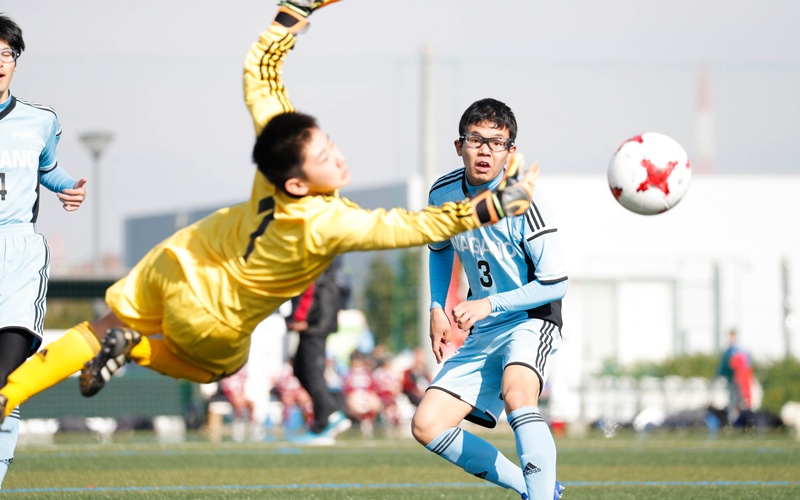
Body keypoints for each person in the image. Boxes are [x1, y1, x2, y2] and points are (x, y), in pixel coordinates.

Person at [0, 1, 538, 431]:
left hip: (177, 258)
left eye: (329, 142)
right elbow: (417, 225)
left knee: (96, 330)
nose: (338, 155)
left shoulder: (279, 142)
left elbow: (260, 72)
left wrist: (292, 13)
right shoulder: (331, 223)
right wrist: (498, 203)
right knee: (221, 368)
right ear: (300, 182)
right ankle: (138, 349)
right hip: (213, 313)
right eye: (326, 156)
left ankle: (8, 394)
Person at [411, 99, 568, 500]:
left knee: (519, 394)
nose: (485, 150)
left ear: (511, 152)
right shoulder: (443, 193)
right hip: (484, 325)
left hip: (531, 318)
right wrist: (436, 307)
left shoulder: (524, 200)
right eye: (476, 140)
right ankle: (539, 489)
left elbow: (555, 283)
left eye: (497, 143)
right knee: (427, 424)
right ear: (458, 145)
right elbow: (440, 248)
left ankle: (540, 498)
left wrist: (489, 305)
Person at [0, 14, 88, 488]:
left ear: (16, 61)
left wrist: (65, 187)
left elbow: (47, 169)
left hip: (17, 255)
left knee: (7, 381)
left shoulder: (40, 120)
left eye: (6, 54)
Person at [286, 256, 351, 444]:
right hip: (318, 319)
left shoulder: (314, 255)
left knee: (312, 374)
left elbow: (310, 287)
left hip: (314, 323)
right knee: (300, 368)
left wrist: (299, 317)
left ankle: (323, 426)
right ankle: (331, 413)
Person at [717, 329, 753, 425]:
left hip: (738, 380)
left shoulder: (738, 349)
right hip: (732, 380)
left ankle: (742, 421)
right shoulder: (729, 349)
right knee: (734, 401)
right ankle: (735, 422)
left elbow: (742, 366)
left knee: (740, 401)